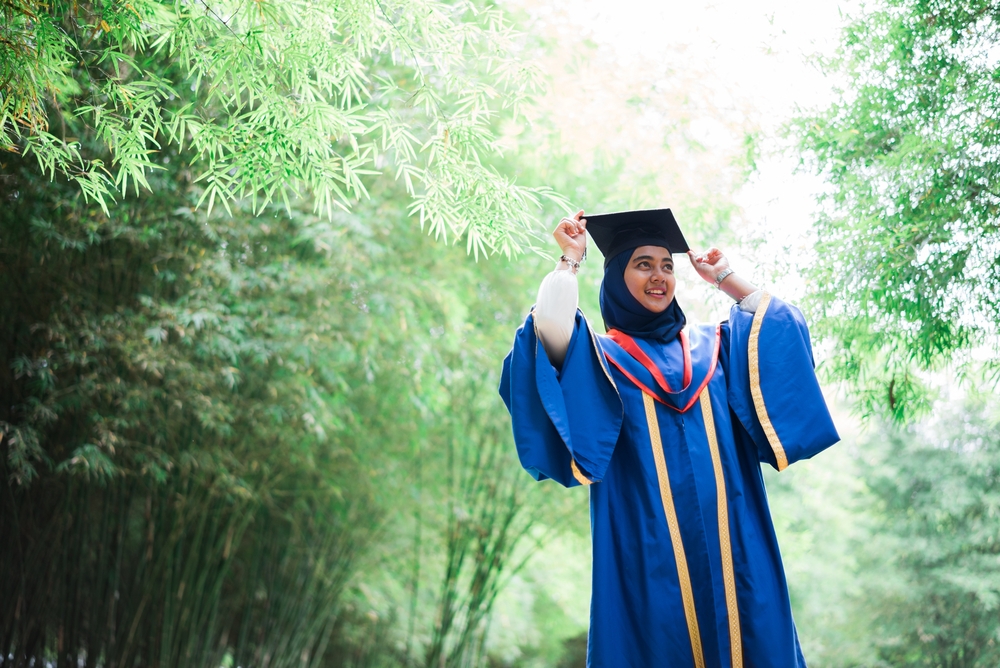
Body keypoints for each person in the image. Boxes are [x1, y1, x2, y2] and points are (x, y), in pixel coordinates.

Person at [499, 209, 839, 668]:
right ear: (618, 277)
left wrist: (724, 277)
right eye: (643, 264)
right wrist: (570, 260)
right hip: (647, 553)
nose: (659, 277)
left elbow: (781, 327)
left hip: (737, 547)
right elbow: (548, 334)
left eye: (666, 266)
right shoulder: (599, 361)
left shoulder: (717, 350)